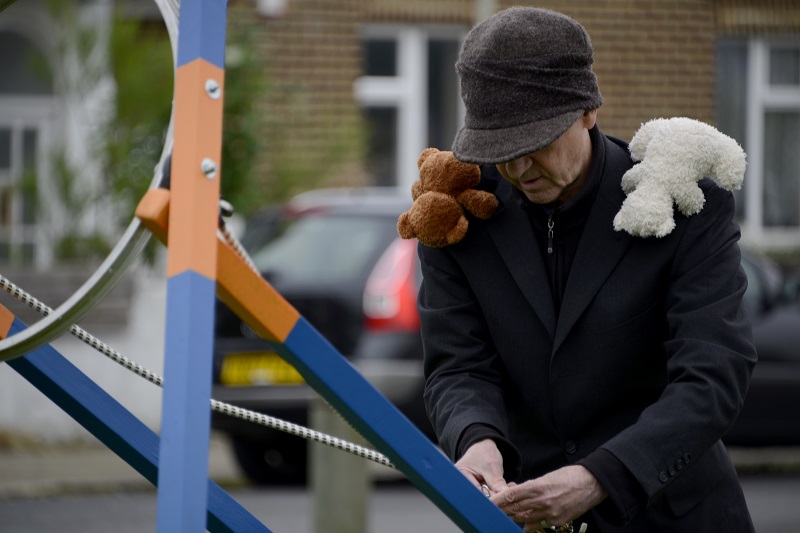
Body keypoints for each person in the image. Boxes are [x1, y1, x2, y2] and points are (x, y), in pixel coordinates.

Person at [418, 7, 757, 532]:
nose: (517, 169)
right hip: (522, 517)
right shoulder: (455, 213)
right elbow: (457, 365)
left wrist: (600, 477)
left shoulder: (691, 204)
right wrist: (474, 438)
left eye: (536, 145)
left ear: (587, 111)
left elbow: (713, 375)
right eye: (501, 150)